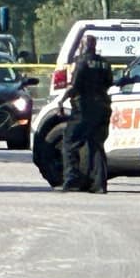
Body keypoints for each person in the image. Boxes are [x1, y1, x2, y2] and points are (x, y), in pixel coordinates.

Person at [55, 34, 115, 193]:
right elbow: (110, 83)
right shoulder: (104, 63)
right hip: (103, 107)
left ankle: (72, 180)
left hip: (84, 109)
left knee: (69, 142)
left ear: (83, 46)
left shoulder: (81, 63)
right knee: (96, 145)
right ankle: (99, 184)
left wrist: (61, 101)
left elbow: (74, 86)